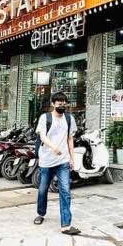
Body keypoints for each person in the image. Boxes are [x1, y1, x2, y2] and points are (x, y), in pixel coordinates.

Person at [33, 92, 80, 235]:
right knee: (43, 189)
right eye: (59, 104)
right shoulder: (45, 118)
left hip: (63, 161)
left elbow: (70, 139)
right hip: (47, 160)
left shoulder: (69, 119)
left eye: (64, 104)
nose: (62, 106)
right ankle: (41, 213)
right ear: (53, 104)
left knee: (65, 191)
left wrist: (72, 158)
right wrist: (54, 147)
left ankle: (66, 225)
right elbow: (42, 136)